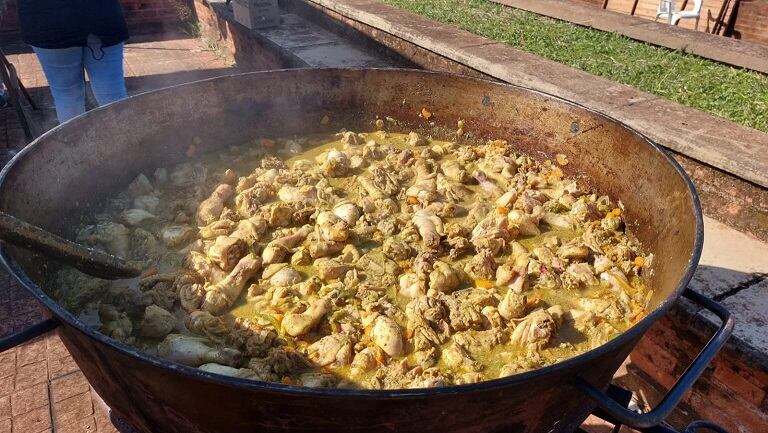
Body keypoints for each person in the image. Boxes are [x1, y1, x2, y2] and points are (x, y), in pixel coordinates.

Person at [16, 0, 129, 123]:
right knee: (111, 91)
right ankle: (124, 139)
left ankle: (75, 141)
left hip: (47, 20)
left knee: (66, 94)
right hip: (101, 15)